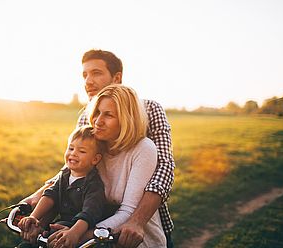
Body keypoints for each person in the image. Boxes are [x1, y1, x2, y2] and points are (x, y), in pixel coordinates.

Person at [22, 49, 175, 247]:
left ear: (117, 77)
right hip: (94, 216)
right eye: (85, 75)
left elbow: (163, 167)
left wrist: (137, 220)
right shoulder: (89, 119)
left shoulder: (149, 112)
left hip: (137, 222)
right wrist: (41, 196)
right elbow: (73, 168)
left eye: (96, 73)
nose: (88, 81)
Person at [51, 85, 166, 247]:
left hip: (132, 238)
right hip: (94, 231)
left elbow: (128, 211)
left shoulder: (143, 148)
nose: (98, 121)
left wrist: (81, 235)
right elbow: (66, 181)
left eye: (108, 115)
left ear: (126, 119)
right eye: (96, 112)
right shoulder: (94, 146)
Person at [18, 126, 106, 248]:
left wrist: (74, 233)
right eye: (71, 148)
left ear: (95, 159)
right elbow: (49, 196)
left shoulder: (93, 184)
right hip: (57, 226)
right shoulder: (64, 176)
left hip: (77, 232)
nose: (73, 153)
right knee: (26, 245)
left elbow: (88, 213)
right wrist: (33, 216)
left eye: (82, 151)